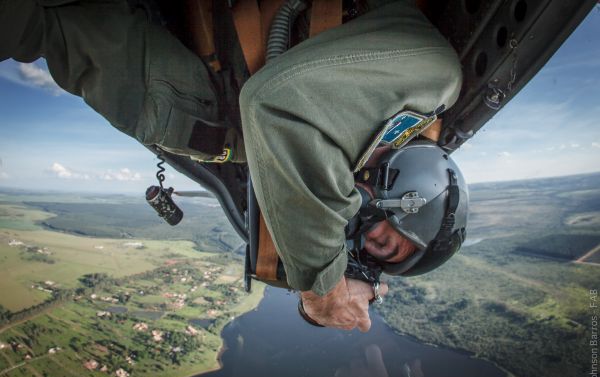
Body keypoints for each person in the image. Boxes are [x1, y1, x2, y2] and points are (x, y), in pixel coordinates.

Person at [0, 0, 466, 331]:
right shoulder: (436, 77)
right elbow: (274, 104)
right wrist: (323, 290)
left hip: (129, 58)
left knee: (33, 24)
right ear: (409, 193)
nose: (361, 239)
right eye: (383, 241)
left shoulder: (325, 160)